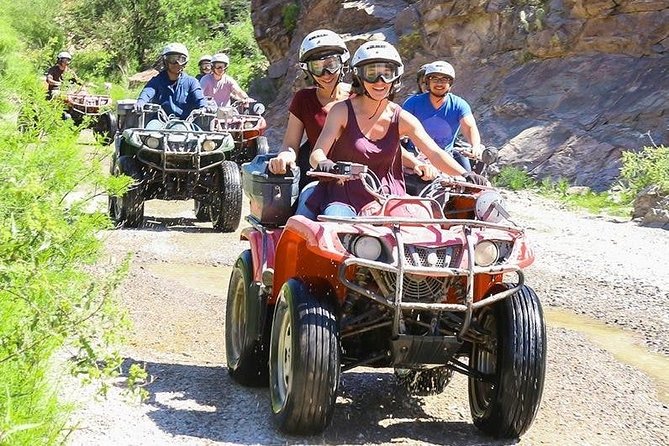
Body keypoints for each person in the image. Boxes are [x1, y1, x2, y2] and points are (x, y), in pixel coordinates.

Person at [300, 41, 486, 219]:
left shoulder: (401, 117)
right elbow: (316, 153)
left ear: (396, 77)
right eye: (372, 73)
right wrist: (325, 163)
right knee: (336, 225)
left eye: (387, 73)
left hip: (389, 199)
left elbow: (434, 152)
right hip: (344, 196)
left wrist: (465, 175)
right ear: (359, 75)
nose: (380, 81)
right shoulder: (341, 111)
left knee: (420, 229)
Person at [402, 60, 483, 171]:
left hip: (445, 157)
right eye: (434, 79)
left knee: (470, 181)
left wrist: (475, 146)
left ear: (450, 83)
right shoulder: (412, 103)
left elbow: (469, 127)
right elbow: (398, 127)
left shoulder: (459, 104)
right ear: (427, 82)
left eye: (444, 79)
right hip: (415, 155)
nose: (439, 83)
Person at [134, 43, 206, 119]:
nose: (176, 63)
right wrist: (141, 101)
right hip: (160, 121)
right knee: (148, 129)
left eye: (181, 59)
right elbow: (148, 91)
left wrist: (204, 107)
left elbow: (199, 98)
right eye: (172, 59)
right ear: (165, 61)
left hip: (186, 122)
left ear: (185, 62)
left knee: (199, 129)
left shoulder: (192, 82)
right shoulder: (157, 80)